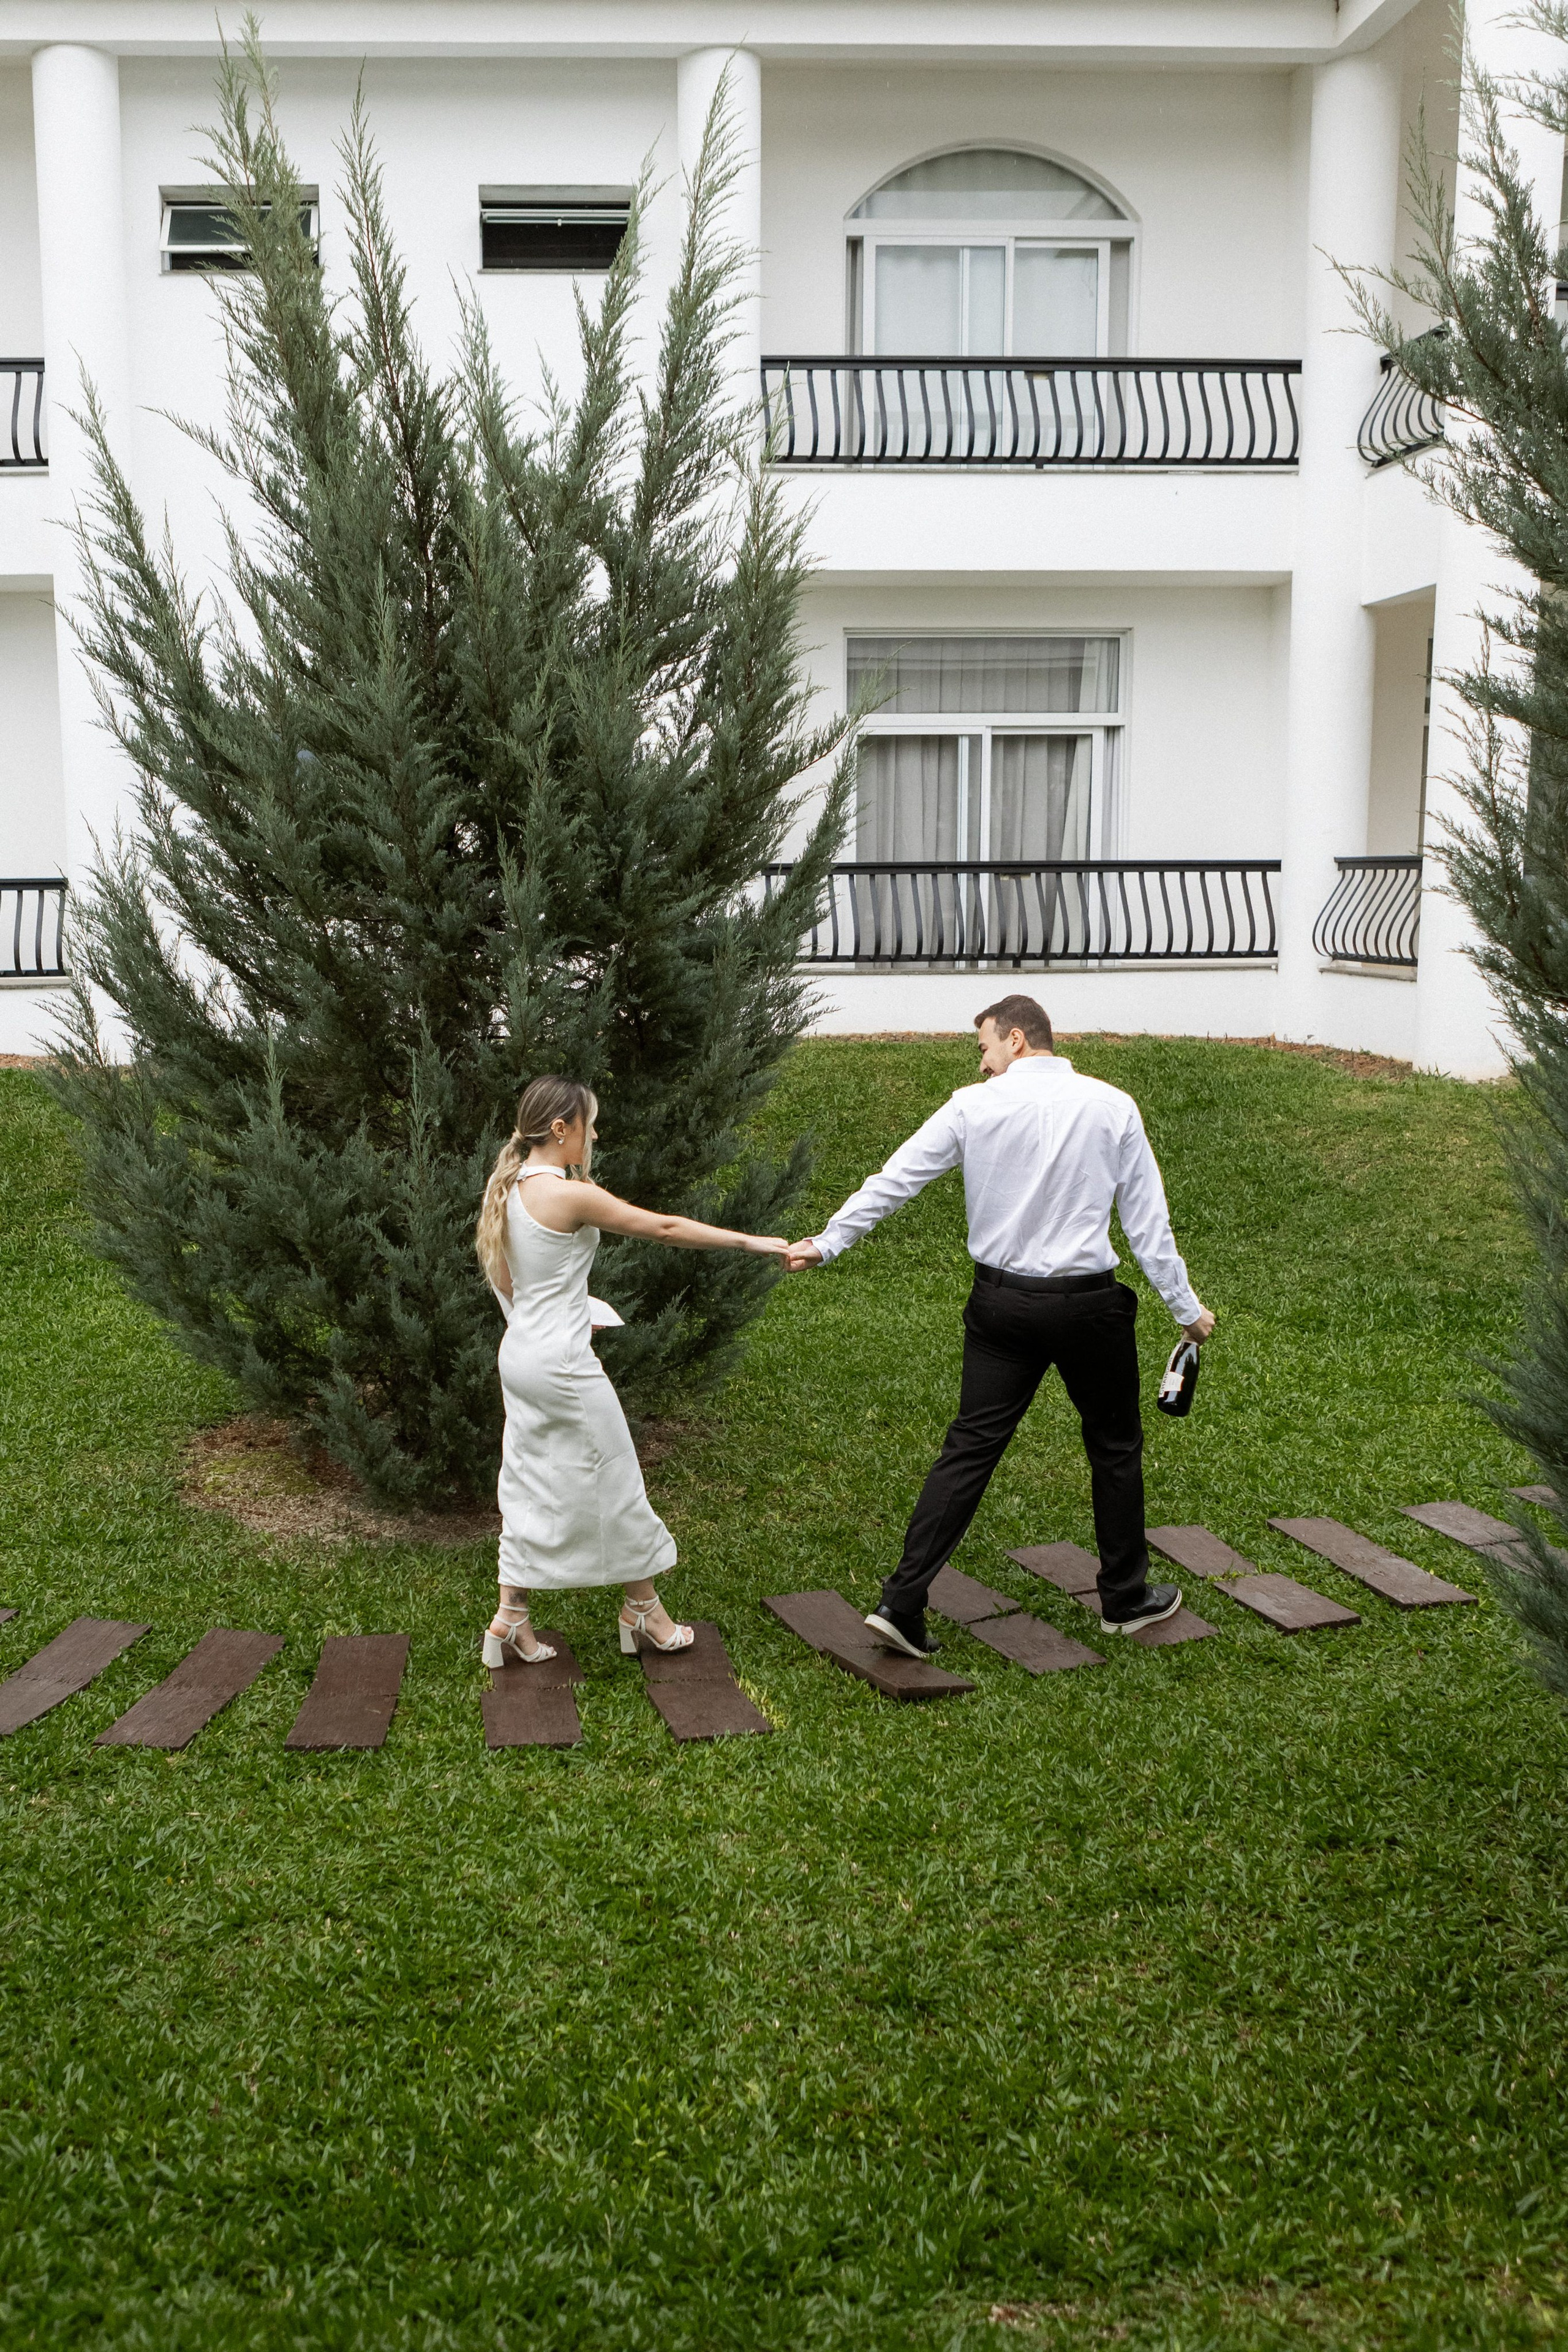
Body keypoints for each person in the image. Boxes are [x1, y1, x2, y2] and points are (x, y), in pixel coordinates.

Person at [785, 997, 1215, 1654]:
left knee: (969, 1448)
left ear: (1016, 1039)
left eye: (983, 1046)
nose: (981, 1061)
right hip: (1086, 1308)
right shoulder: (1111, 1104)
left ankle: (901, 1601)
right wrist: (1185, 1309)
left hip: (1001, 1308)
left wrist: (828, 1242)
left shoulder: (971, 1105)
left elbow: (896, 1179)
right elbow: (1146, 1224)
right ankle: (1125, 1600)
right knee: (1114, 1446)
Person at [475, 1075, 788, 1666]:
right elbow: (664, 1227)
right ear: (562, 1130)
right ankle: (643, 1611)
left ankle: (511, 1616)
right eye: (589, 1125)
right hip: (563, 1366)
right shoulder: (568, 1195)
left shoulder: (508, 1190)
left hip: (520, 1357)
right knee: (616, 1477)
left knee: (524, 1479)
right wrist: (753, 1244)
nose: (595, 1136)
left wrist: (571, 1313)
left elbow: (509, 1282)